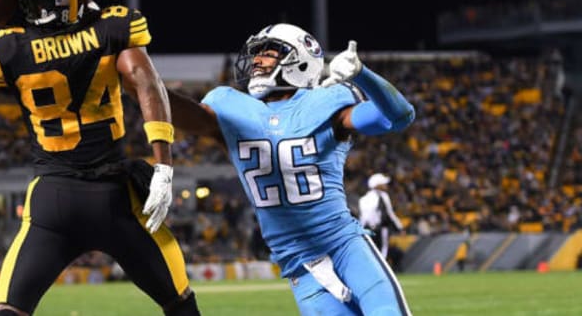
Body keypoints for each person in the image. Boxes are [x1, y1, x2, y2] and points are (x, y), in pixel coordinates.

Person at [0, 0, 200, 316]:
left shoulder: (10, 46)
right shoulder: (114, 28)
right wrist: (164, 166)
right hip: (116, 201)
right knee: (181, 305)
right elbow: (147, 83)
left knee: (9, 310)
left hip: (52, 203)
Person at [167, 23, 415, 315]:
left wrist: (363, 75)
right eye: (256, 53)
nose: (257, 60)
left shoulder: (325, 102)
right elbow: (179, 112)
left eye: (268, 52)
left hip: (344, 246)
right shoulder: (229, 106)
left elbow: (399, 117)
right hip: (300, 266)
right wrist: (140, 84)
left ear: (300, 60)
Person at [358, 173, 405, 260]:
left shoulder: (363, 199)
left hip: (367, 230)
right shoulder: (383, 196)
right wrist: (400, 227)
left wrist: (361, 231)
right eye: (383, 183)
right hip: (382, 229)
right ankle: (382, 271)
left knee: (371, 252)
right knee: (383, 252)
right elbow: (390, 214)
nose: (385, 185)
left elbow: (362, 219)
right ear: (378, 185)